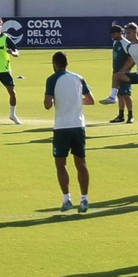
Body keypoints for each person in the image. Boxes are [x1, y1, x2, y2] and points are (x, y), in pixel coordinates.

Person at [43, 51, 93, 213]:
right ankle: (84, 199)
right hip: (79, 126)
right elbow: (90, 100)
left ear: (54, 64)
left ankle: (67, 199)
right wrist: (76, 101)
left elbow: (47, 105)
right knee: (81, 163)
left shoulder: (52, 79)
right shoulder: (79, 78)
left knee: (60, 164)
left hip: (62, 127)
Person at [97, 24, 132, 122]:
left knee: (126, 95)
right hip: (116, 72)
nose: (112, 36)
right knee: (120, 94)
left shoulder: (126, 44)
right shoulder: (115, 43)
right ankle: (121, 116)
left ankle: (130, 116)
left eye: (113, 34)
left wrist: (124, 70)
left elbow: (131, 59)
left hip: (125, 73)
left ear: (118, 33)